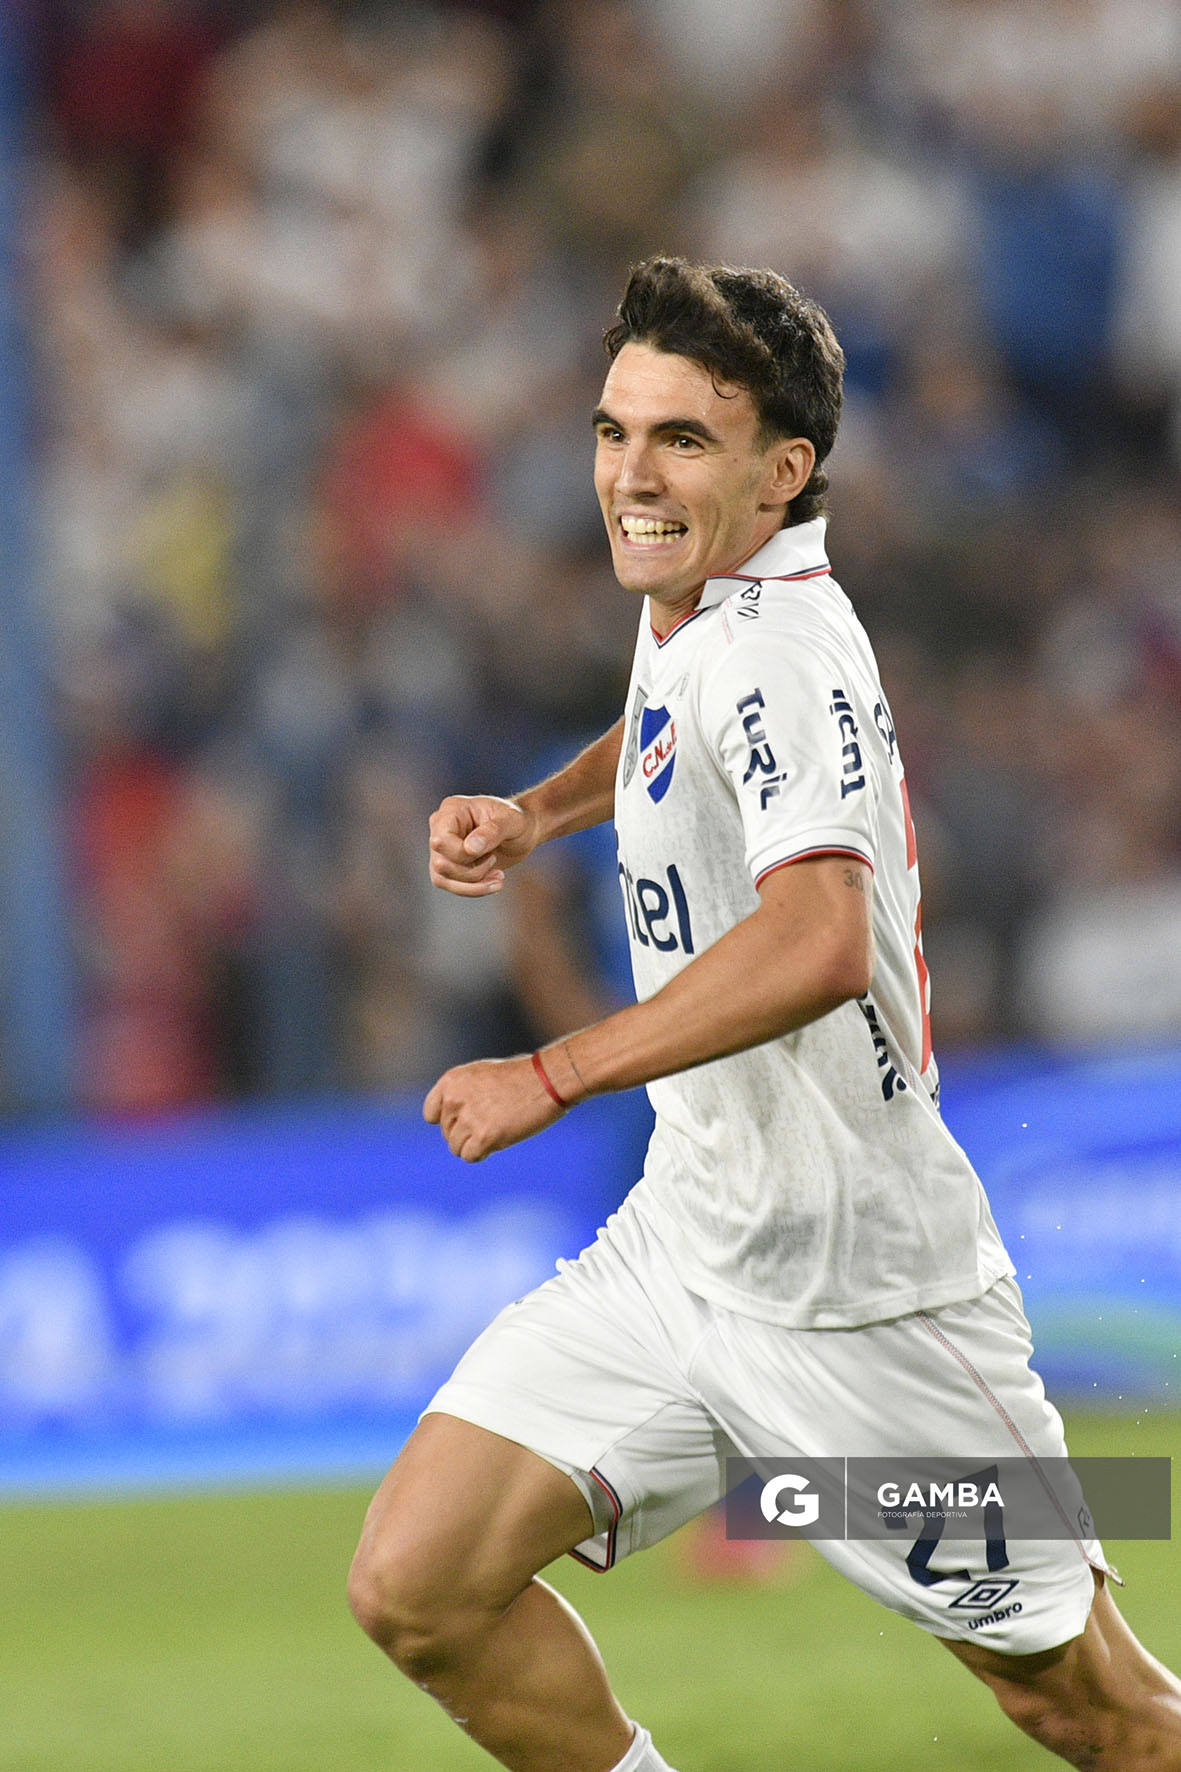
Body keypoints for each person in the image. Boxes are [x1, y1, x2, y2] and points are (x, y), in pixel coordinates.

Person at [347, 257, 1181, 1772]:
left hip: (865, 1301)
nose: (628, 475)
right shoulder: (695, 599)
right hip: (687, 1251)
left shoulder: (783, 650)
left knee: (1094, 1711)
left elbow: (813, 942)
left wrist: (556, 1068)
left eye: (680, 440)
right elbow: (671, 727)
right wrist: (541, 814)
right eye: (613, 431)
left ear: (782, 471)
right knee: (420, 1585)